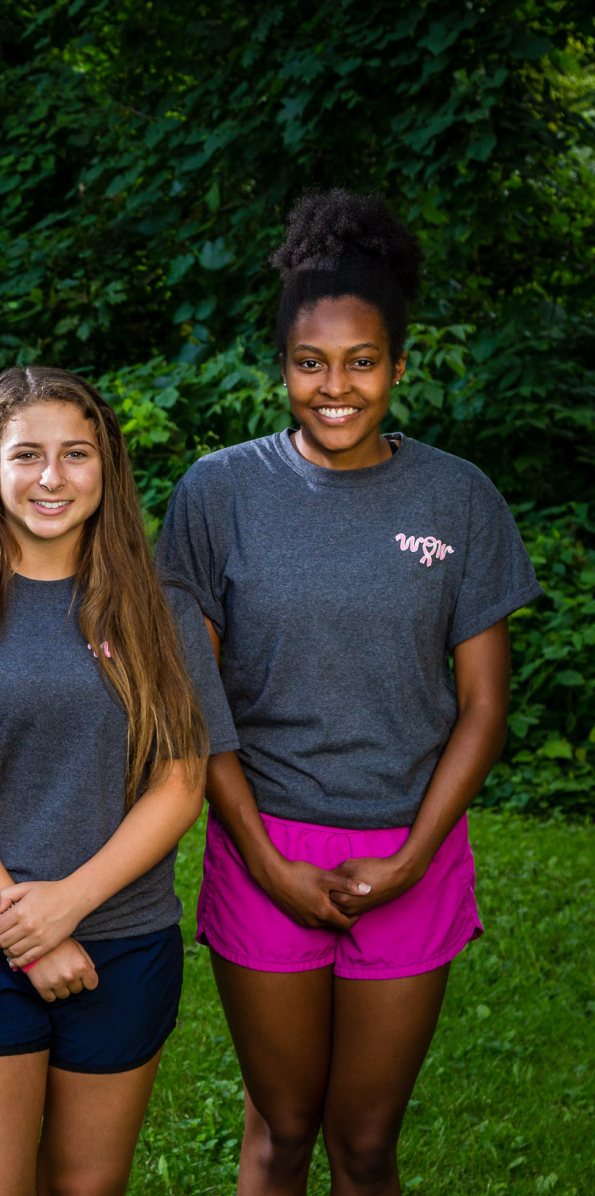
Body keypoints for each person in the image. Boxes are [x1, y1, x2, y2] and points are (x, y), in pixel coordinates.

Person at [156, 190, 542, 1195]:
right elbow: (196, 700)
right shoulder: (218, 493)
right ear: (281, 366)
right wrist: (265, 861)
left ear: (399, 367)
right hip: (264, 842)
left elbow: (484, 706)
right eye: (310, 363)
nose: (335, 387)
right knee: (283, 1133)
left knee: (365, 1147)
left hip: (412, 844)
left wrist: (412, 857)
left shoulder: (458, 499)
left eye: (361, 362)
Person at [0, 366, 239, 1195]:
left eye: (76, 453)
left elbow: (180, 783)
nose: (52, 478)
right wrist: (26, 931)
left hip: (124, 940)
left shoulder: (162, 608)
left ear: (107, 467)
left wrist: (66, 907)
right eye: (27, 454)